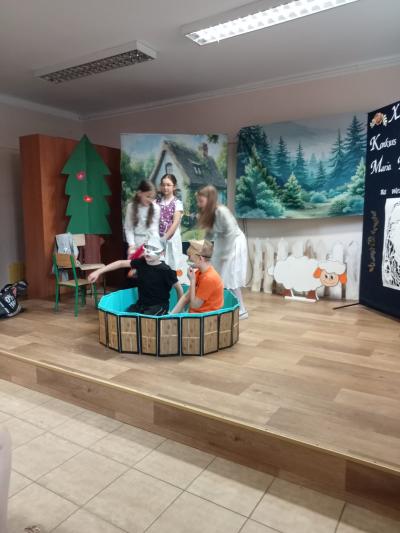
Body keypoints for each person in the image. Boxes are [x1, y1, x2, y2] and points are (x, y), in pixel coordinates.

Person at [88, 237, 183, 316]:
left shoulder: (166, 271)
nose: (148, 251)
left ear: (162, 253)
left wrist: (178, 311)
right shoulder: (141, 263)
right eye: (147, 247)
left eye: (153, 249)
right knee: (125, 317)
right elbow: (120, 263)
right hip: (141, 305)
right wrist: (98, 272)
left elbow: (179, 289)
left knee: (147, 321)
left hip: (159, 307)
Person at [197, 185, 248, 319]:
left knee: (229, 277)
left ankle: (241, 309)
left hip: (234, 243)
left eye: (201, 201)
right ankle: (220, 306)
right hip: (223, 242)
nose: (199, 204)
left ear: (209, 200)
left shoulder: (221, 211)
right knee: (218, 275)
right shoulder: (210, 214)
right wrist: (201, 249)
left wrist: (225, 254)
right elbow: (209, 234)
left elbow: (231, 233)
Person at [171, 239, 223, 314]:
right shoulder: (199, 272)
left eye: (189, 257)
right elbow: (186, 297)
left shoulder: (209, 278)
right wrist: (171, 315)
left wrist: (192, 281)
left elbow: (195, 305)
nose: (188, 259)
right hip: (195, 316)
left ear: (201, 258)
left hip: (205, 318)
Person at [124, 180, 160, 258]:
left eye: (152, 197)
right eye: (148, 196)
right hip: (136, 244)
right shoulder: (131, 207)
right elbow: (128, 228)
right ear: (139, 193)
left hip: (151, 245)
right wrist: (131, 245)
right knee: (135, 264)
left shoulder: (156, 208)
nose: (150, 200)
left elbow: (154, 230)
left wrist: (157, 246)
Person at [156, 174, 184, 270]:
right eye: (163, 185)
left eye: (168, 185)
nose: (165, 187)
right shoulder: (156, 202)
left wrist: (165, 238)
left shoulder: (177, 203)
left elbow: (175, 223)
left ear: (174, 187)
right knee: (159, 268)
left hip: (171, 240)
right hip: (158, 239)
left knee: (172, 267)